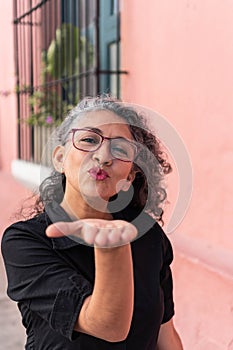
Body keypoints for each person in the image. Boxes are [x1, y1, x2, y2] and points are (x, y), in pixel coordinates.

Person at [1, 95, 183, 349]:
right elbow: (107, 326)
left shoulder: (149, 236)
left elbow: (166, 336)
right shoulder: (25, 241)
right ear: (59, 158)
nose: (104, 156)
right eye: (88, 140)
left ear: (129, 176)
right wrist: (112, 246)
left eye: (120, 149)